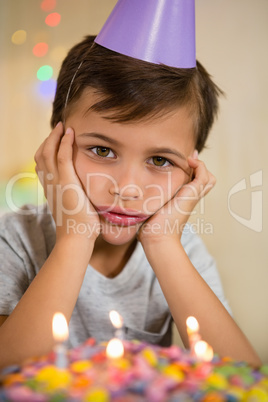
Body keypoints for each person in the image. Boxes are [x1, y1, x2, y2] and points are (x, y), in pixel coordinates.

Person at [0, 30, 261, 369]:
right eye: (102, 150)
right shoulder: (14, 241)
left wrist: (162, 243)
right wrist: (75, 238)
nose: (128, 188)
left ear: (190, 172)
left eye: (160, 160)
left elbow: (243, 379)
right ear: (54, 145)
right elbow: (7, 374)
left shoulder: (185, 251)